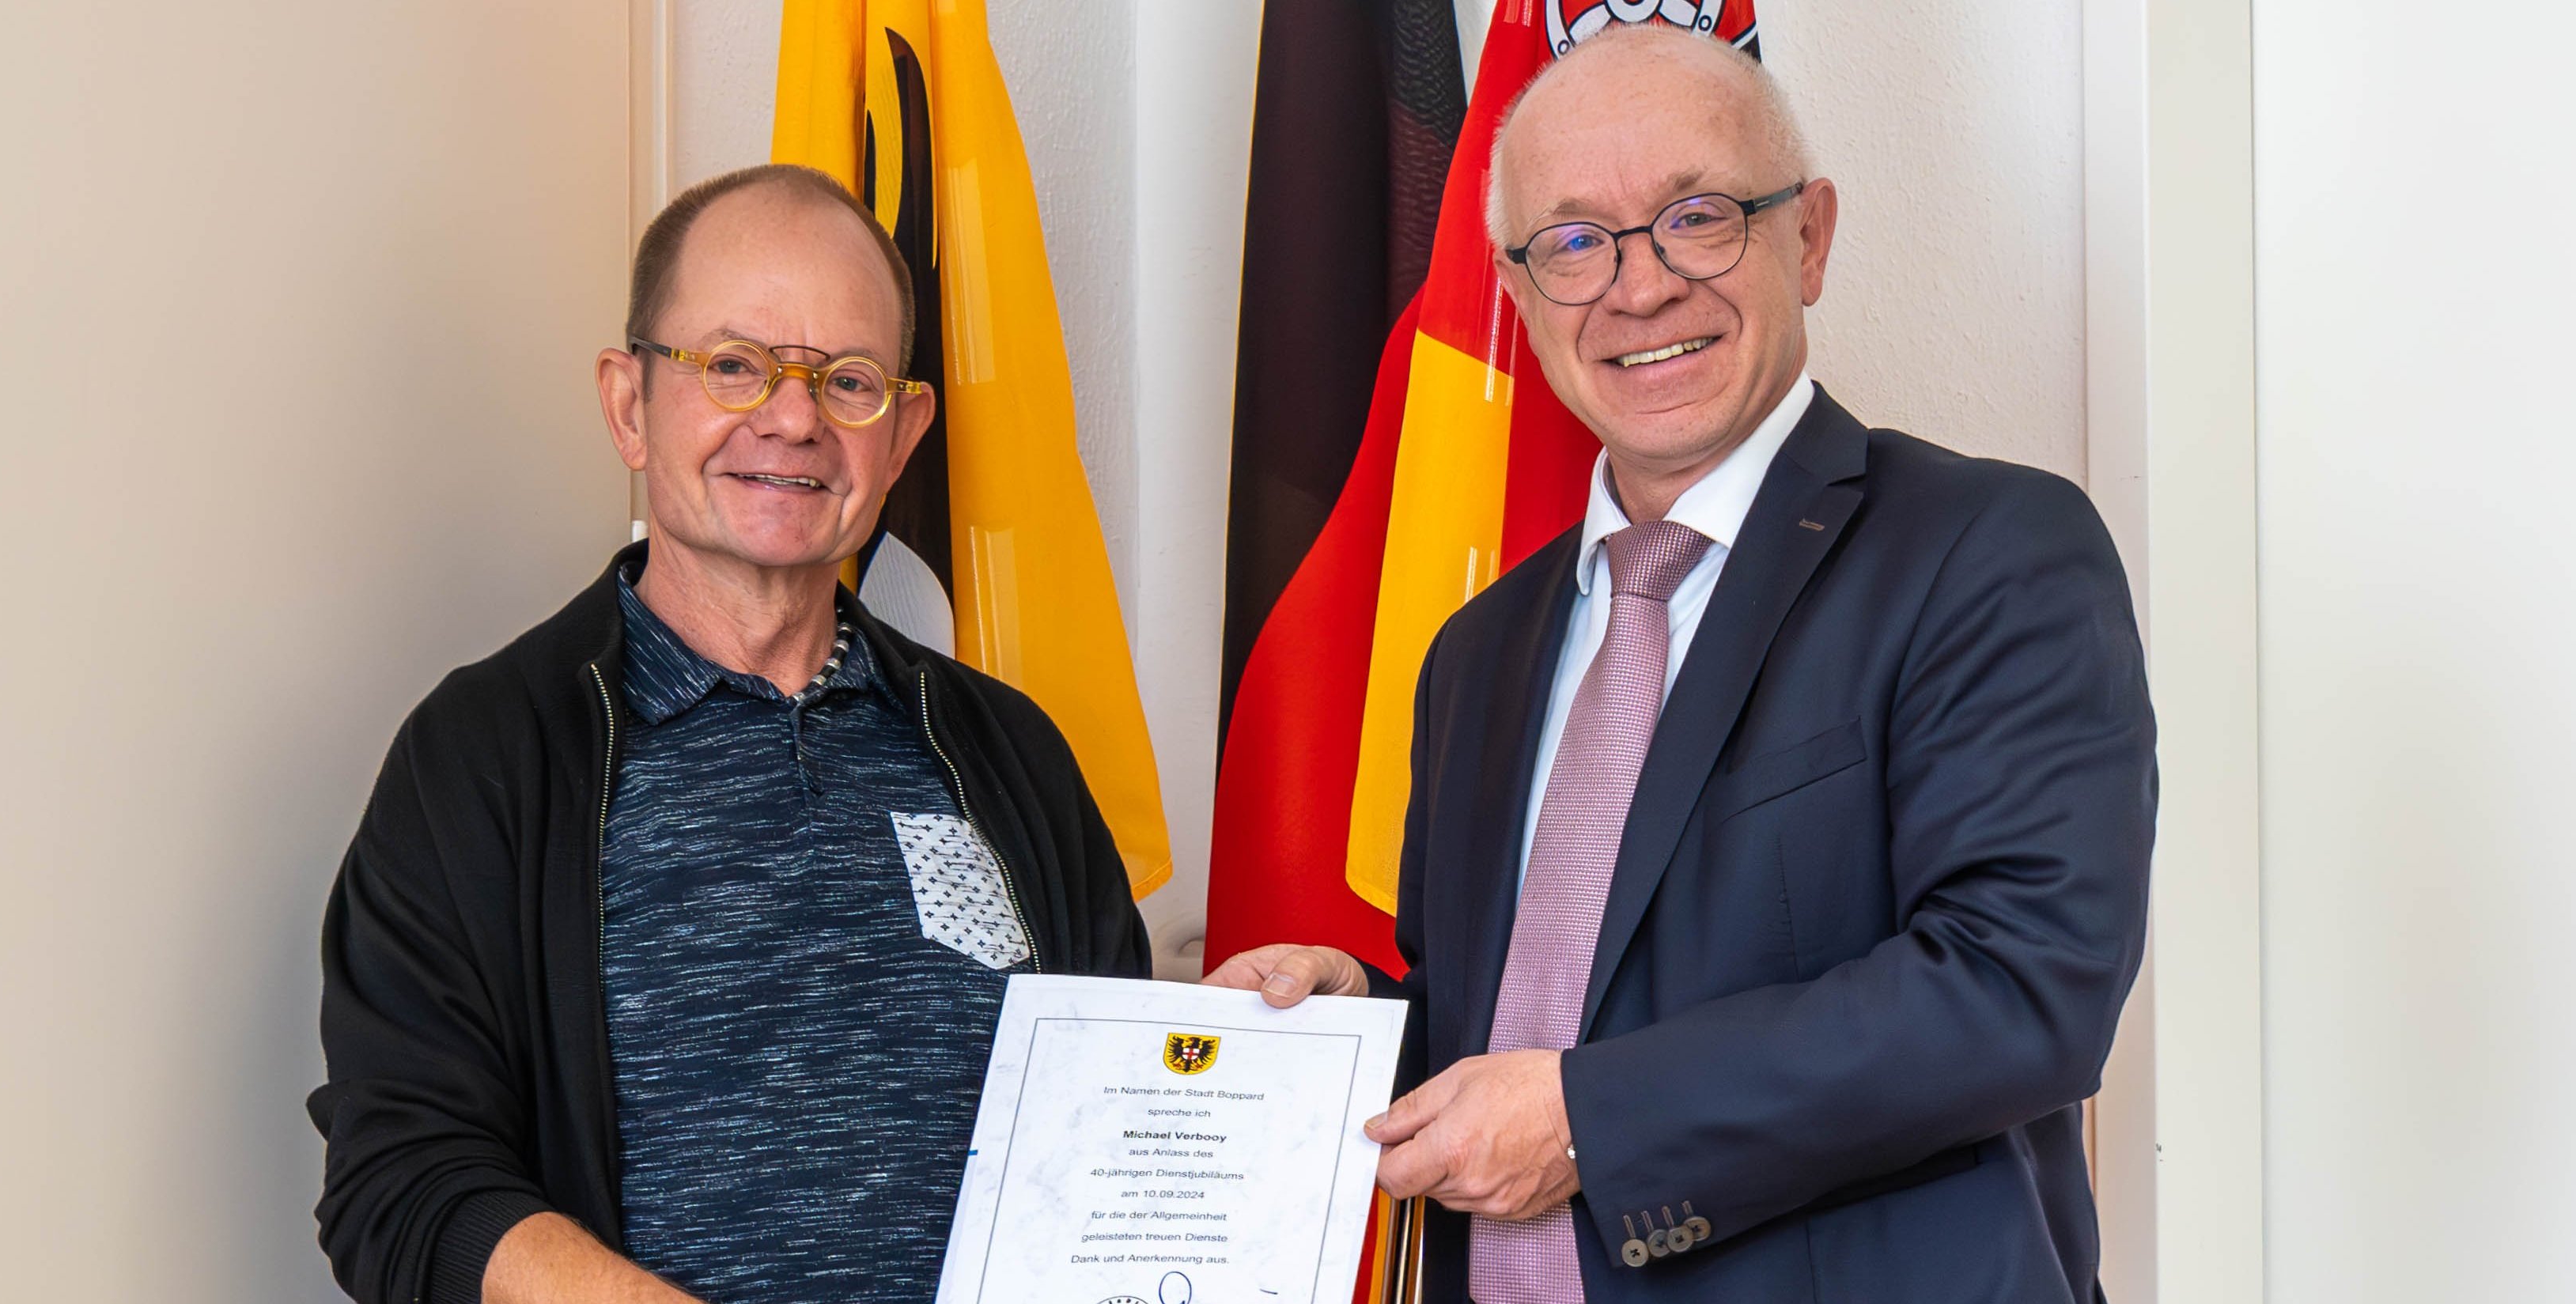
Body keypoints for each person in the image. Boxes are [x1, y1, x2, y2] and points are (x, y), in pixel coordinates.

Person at [1208, 26, 2155, 1304]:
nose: (1638, 289)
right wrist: (1360, 1017)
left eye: (1696, 217)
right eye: (1575, 242)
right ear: (1521, 288)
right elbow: (1543, 1013)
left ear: (1808, 237)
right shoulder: (1476, 655)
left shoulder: (1988, 553)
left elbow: (2016, 984)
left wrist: (1591, 1121)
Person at [310, 164, 1151, 1304]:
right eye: (735, 365)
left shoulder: (1008, 754)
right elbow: (403, 1187)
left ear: (901, 438)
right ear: (628, 404)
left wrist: (1274, 1043)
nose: (795, 418)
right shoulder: (485, 759)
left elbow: (1117, 1136)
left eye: (848, 380)